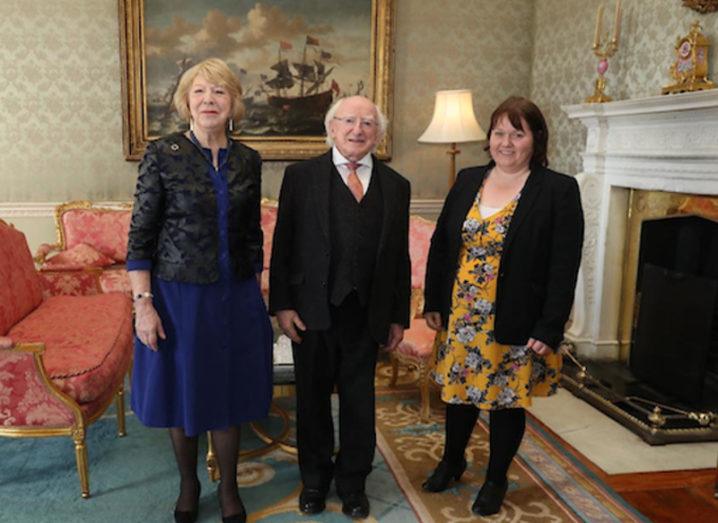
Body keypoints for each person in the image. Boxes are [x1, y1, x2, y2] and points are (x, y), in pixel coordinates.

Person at [422, 96, 584, 516]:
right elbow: (442, 245)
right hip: (462, 315)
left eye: (518, 133)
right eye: (498, 132)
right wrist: (434, 301)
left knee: (505, 402)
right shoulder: (468, 179)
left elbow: (564, 266)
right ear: (489, 138)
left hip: (516, 318)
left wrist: (550, 327)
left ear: (536, 139)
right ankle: (452, 461)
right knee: (459, 395)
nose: (506, 142)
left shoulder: (557, 190)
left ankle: (496, 479)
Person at [127, 58, 272, 523]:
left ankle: (229, 488)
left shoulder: (249, 159)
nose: (209, 100)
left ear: (234, 104)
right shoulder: (163, 153)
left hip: (236, 294)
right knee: (183, 389)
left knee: (228, 388)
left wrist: (258, 288)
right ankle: (189, 484)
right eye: (200, 92)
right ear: (186, 101)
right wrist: (143, 305)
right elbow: (140, 236)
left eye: (219, 93)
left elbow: (252, 232)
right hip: (178, 296)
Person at [269, 95, 411, 519]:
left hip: (367, 314)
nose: (357, 130)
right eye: (348, 121)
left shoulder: (397, 185)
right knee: (311, 401)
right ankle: (314, 481)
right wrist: (282, 305)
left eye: (367, 123)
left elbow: (399, 256)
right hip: (311, 311)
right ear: (331, 128)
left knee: (359, 403)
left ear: (378, 134)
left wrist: (398, 315)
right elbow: (284, 246)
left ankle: (353, 483)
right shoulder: (300, 177)